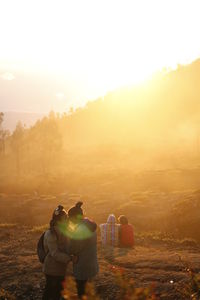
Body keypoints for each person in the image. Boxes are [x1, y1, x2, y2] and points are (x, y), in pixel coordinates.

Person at [42, 205, 75, 300]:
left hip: (61, 269)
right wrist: (70, 258)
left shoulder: (65, 231)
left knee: (58, 293)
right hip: (51, 269)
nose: (67, 220)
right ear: (59, 220)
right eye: (65, 218)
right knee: (50, 294)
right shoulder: (51, 233)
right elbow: (54, 254)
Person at [67, 202, 98, 298]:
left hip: (82, 264)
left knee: (81, 288)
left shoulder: (80, 229)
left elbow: (74, 247)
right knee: (87, 287)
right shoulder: (89, 225)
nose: (69, 220)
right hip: (91, 261)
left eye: (70, 217)